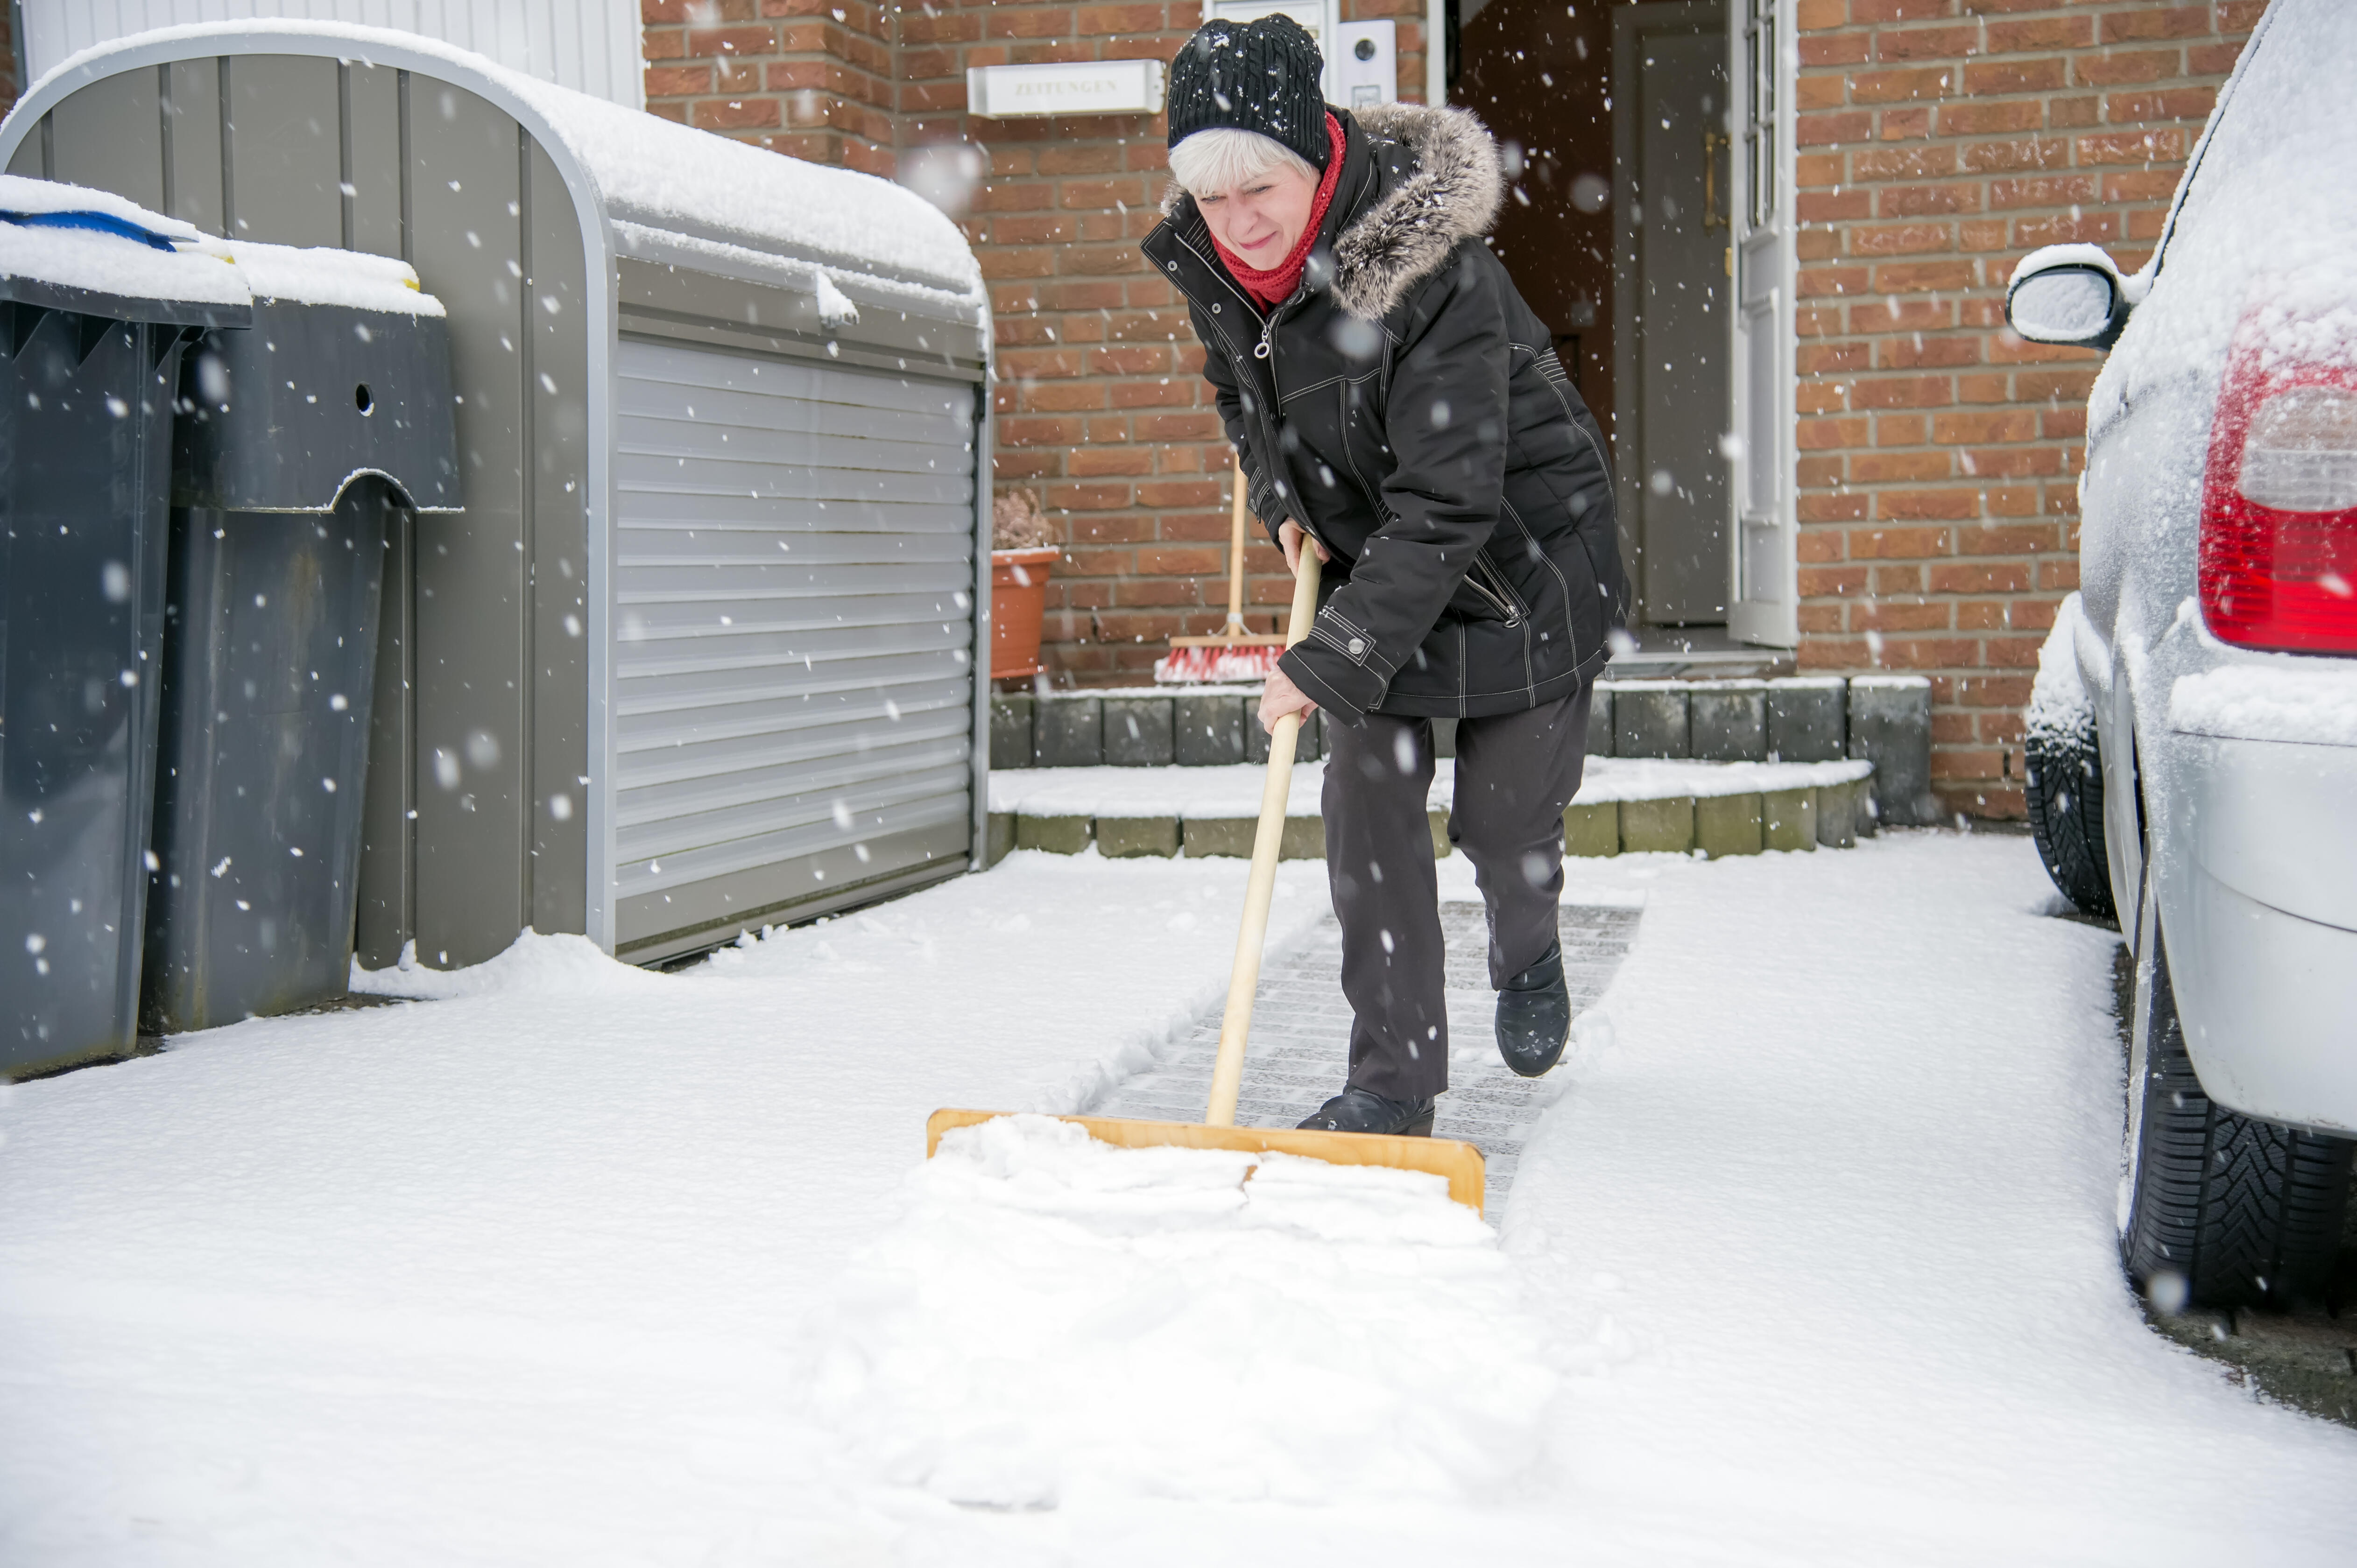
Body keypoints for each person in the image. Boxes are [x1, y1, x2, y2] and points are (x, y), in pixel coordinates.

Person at [1142, 14, 1627, 1138]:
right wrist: (1280, 509)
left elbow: (1450, 500)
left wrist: (1330, 657)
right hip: (1380, 570)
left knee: (1505, 826)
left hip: (1527, 571)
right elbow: (1243, 399)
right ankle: (1392, 1088)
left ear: (1316, 151)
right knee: (1365, 815)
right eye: (1212, 202)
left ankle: (1528, 943)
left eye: (1259, 188)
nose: (1240, 224)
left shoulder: (1432, 274)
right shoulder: (1222, 268)